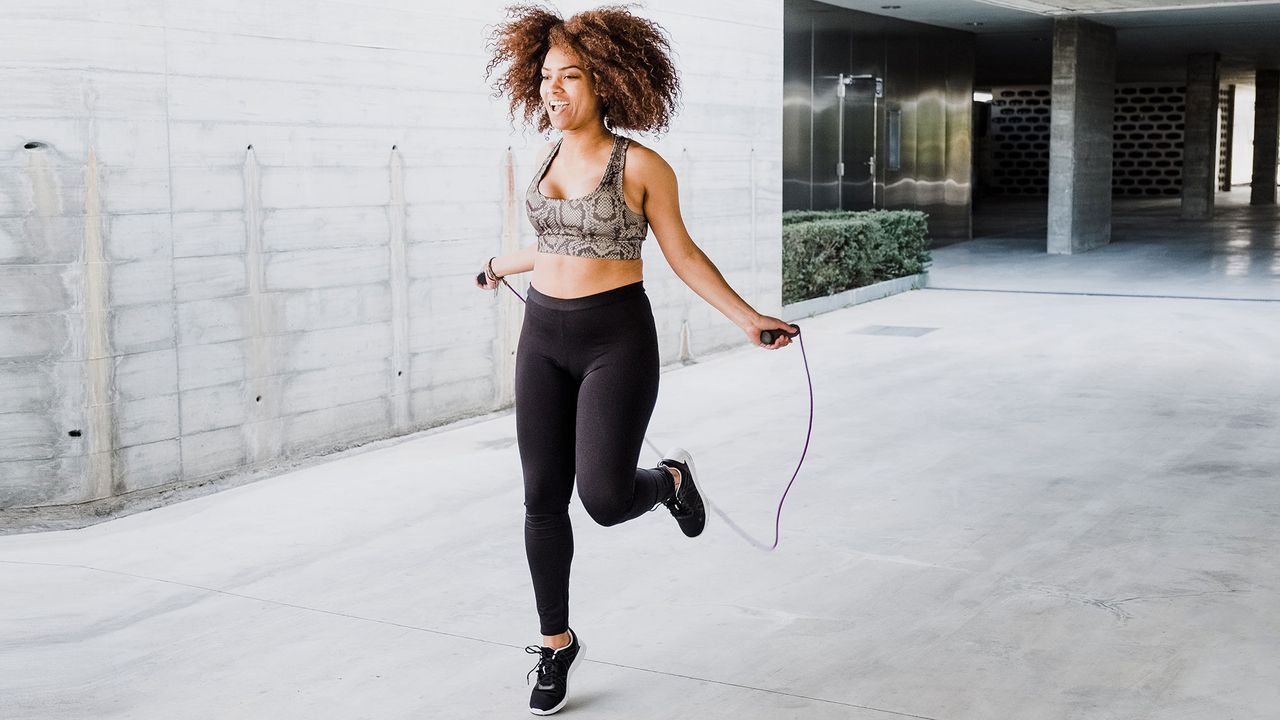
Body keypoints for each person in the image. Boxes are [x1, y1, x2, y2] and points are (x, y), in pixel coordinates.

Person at [480, 5, 795, 715]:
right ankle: (555, 644)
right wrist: (500, 263)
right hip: (543, 338)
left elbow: (680, 253)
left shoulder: (641, 165)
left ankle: (669, 479)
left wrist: (749, 319)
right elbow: (560, 240)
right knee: (540, 498)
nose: (553, 92)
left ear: (609, 81)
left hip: (613, 340)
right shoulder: (549, 153)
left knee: (602, 498)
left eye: (570, 77)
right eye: (544, 79)